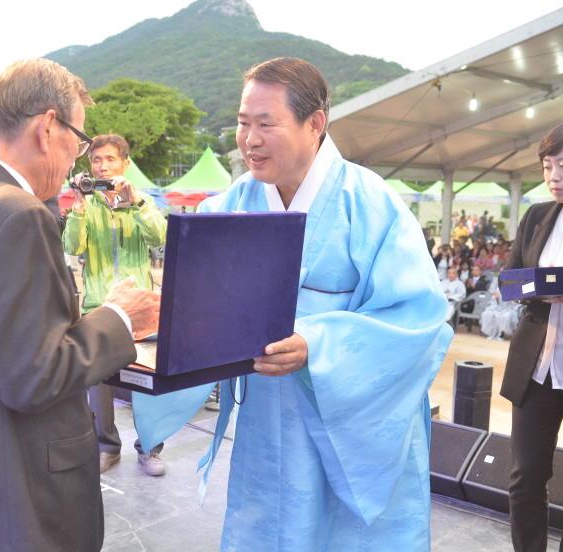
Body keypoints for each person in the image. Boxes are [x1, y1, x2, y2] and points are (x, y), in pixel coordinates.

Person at [134, 57, 451, 550]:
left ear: (315, 124)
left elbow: (417, 319)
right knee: (269, 529)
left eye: (266, 124)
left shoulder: (370, 203)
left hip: (353, 424)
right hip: (266, 416)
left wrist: (317, 345)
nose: (250, 139)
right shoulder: (231, 207)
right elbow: (189, 298)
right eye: (242, 123)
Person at [0, 59, 160, 552]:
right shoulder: (19, 214)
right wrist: (119, 319)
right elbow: (33, 375)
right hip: (22, 500)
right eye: (79, 142)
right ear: (48, 127)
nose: (76, 161)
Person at [62, 134, 168, 476]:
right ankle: (107, 446)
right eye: (96, 160)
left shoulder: (141, 201)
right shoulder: (87, 204)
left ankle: (150, 448)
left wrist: (134, 202)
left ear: (124, 163)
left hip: (140, 306)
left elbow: (161, 238)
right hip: (99, 307)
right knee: (100, 383)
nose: (102, 166)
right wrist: (78, 204)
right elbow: (72, 247)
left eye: (109, 159)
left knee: (148, 382)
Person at [500, 122, 563, 551]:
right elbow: (509, 276)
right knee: (525, 477)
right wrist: (531, 287)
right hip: (537, 373)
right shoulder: (535, 217)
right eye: (548, 166)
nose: (553, 176)